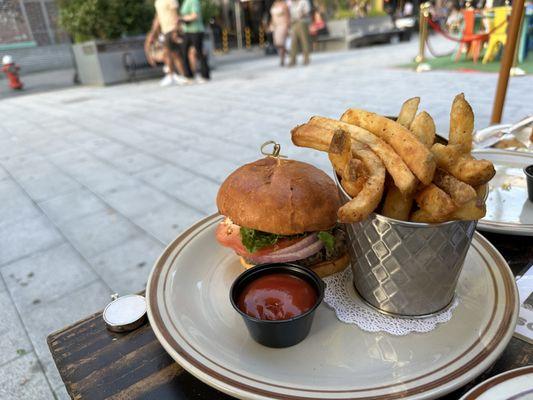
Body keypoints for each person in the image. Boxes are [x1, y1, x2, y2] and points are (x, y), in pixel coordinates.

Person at [147, 0, 190, 86]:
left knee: (174, 54)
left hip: (172, 29)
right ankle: (172, 75)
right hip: (165, 30)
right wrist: (153, 32)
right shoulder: (158, 2)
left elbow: (176, 15)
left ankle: (180, 75)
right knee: (170, 53)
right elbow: (158, 17)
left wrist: (175, 31)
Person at [180, 0, 210, 82]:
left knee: (199, 52)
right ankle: (188, 76)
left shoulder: (194, 1)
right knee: (183, 52)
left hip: (196, 31)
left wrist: (183, 19)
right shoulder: (185, 1)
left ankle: (205, 75)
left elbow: (195, 15)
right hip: (187, 31)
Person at [289, 0, 312, 66]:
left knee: (304, 41)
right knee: (293, 42)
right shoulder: (292, 3)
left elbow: (307, 11)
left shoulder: (304, 1)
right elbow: (291, 13)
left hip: (302, 22)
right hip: (294, 23)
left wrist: (302, 14)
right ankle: (292, 60)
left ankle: (306, 58)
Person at [269, 0, 291, 66]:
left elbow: (288, 16)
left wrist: (288, 26)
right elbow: (272, 16)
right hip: (276, 26)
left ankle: (282, 59)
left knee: (280, 42)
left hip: (283, 25)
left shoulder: (284, 4)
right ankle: (285, 51)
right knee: (277, 43)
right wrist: (271, 24)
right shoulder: (274, 4)